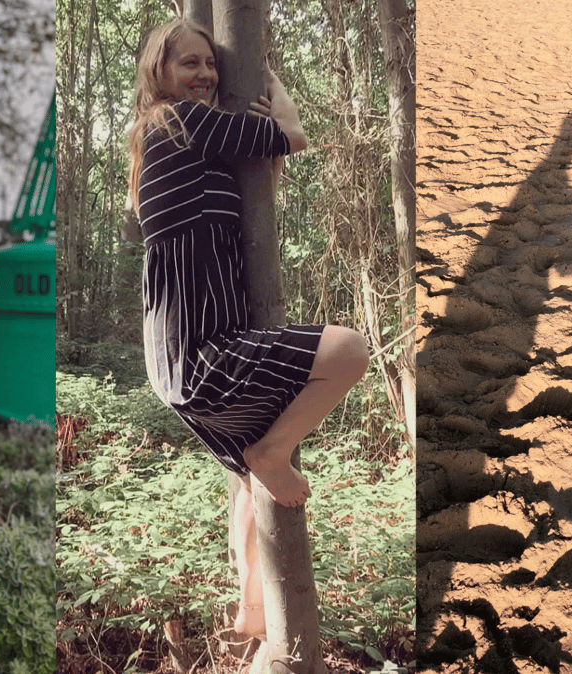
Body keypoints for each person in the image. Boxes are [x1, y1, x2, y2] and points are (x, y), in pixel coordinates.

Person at [126, 18, 369, 641]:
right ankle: (273, 451)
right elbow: (292, 136)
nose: (205, 75)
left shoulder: (189, 145)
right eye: (190, 63)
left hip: (181, 357)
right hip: (200, 352)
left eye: (211, 64)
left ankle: (253, 614)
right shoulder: (176, 121)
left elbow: (258, 190)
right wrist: (274, 88)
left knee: (244, 485)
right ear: (159, 71)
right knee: (348, 350)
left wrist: (270, 140)